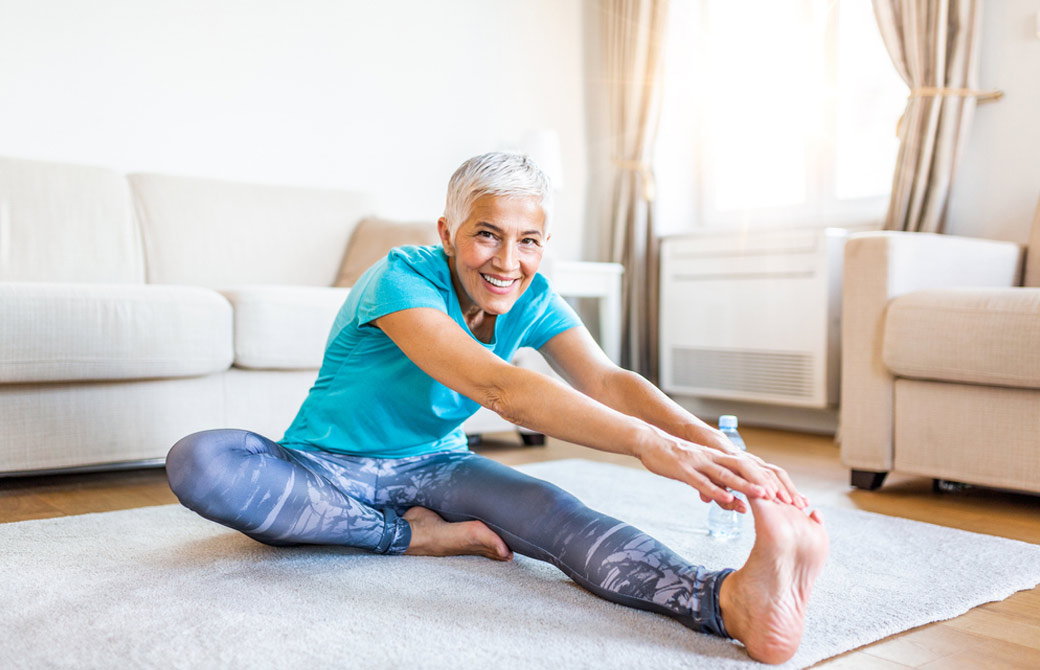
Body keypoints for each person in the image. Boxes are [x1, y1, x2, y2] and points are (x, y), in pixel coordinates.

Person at [166, 152, 828, 665]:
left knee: (555, 512)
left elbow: (606, 379)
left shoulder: (533, 294)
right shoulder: (400, 278)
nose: (509, 261)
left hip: (439, 469)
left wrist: (704, 440)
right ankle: (412, 537)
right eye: (487, 235)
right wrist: (647, 446)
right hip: (326, 469)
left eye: (529, 240)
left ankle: (728, 601)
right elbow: (500, 389)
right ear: (448, 232)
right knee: (202, 461)